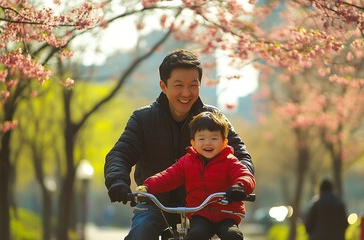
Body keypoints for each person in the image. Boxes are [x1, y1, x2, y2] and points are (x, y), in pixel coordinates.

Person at [104, 49, 254, 240]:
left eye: (193, 85)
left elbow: (242, 156)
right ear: (163, 86)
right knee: (141, 233)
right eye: (178, 85)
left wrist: (240, 186)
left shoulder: (214, 119)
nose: (186, 92)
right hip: (154, 203)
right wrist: (117, 181)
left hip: (205, 207)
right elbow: (120, 154)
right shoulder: (143, 119)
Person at [135, 111, 256, 240]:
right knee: (197, 234)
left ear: (224, 142)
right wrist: (147, 187)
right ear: (193, 143)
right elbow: (168, 176)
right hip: (200, 214)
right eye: (201, 138)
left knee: (232, 235)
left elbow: (245, 175)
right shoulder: (187, 162)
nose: (207, 143)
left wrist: (239, 187)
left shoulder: (230, 161)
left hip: (226, 213)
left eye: (214, 138)